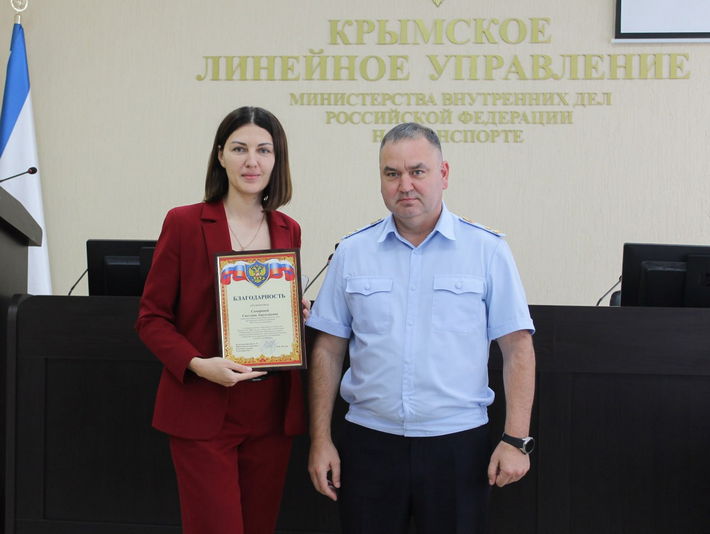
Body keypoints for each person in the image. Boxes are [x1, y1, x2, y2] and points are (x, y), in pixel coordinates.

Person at [306, 122, 536, 534]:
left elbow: (517, 348)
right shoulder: (352, 252)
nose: (405, 185)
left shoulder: (487, 250)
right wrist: (320, 440)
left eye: (417, 171)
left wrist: (515, 439)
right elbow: (328, 349)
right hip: (369, 443)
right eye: (392, 174)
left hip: (458, 445)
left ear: (443, 174)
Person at [136, 106, 306, 534]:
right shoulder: (184, 222)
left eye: (264, 150)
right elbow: (151, 318)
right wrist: (198, 364)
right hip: (203, 406)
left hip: (270, 412)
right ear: (220, 155)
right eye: (239, 148)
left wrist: (295, 314)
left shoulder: (288, 228)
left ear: (277, 159)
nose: (252, 161)